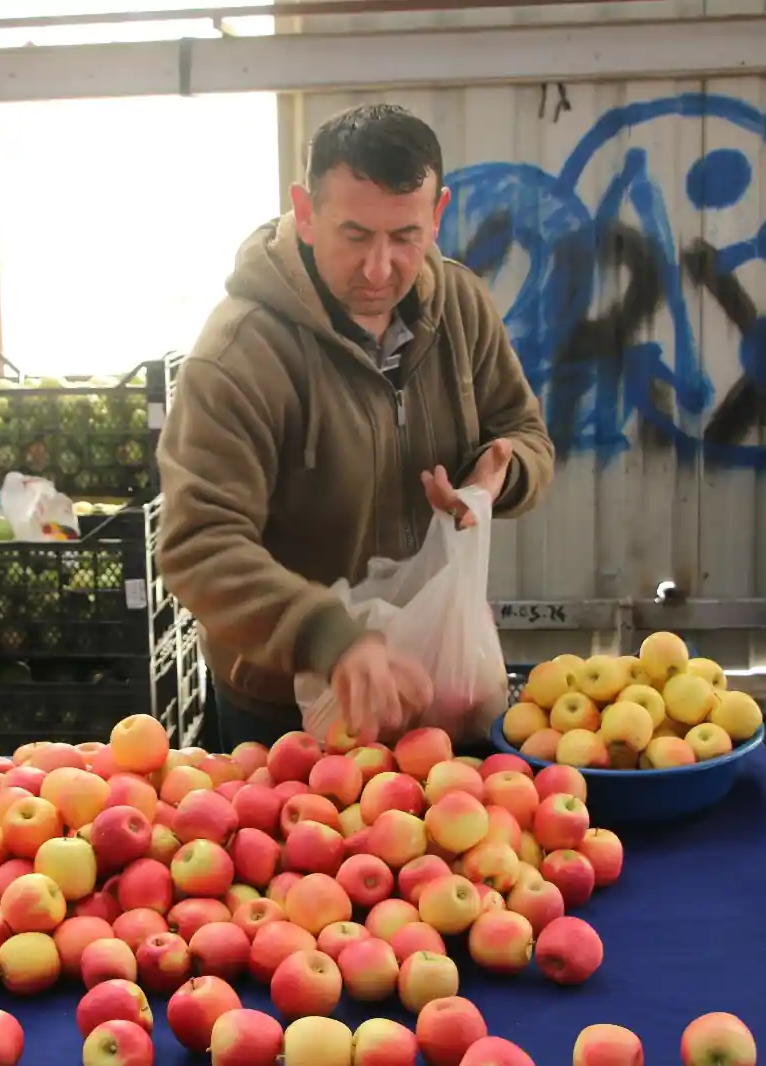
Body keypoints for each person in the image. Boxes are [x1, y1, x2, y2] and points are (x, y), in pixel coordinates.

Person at [156, 103, 555, 753]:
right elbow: (198, 544)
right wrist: (328, 637)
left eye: (404, 237)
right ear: (305, 212)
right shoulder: (238, 354)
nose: (379, 269)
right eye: (355, 235)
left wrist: (497, 479)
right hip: (284, 700)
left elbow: (524, 429)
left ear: (438, 213)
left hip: (430, 677)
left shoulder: (461, 307)